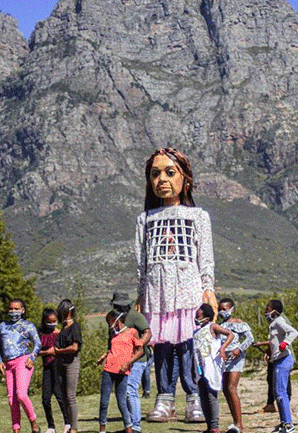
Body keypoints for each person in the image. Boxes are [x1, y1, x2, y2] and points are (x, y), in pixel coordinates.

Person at [135, 148, 215, 423]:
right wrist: (141, 295)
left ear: (186, 179)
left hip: (188, 291)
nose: (162, 180)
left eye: (170, 173)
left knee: (188, 347)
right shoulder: (144, 220)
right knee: (161, 348)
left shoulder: (198, 217)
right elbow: (141, 263)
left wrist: (208, 289)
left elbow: (205, 258)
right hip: (157, 294)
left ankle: (194, 397)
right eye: (155, 174)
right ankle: (164, 398)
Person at [0, 298, 42, 433]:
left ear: (22, 310)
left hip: (22, 361)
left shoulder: (28, 325)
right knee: (12, 400)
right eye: (11, 309)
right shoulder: (2, 326)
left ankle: (34, 423)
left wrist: (32, 357)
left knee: (21, 394)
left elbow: (38, 343)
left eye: (16, 309)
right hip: (8, 364)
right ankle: (16, 429)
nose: (13, 311)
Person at [109, 291, 152, 433]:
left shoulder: (135, 316)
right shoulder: (114, 319)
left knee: (130, 391)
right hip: (121, 361)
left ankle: (136, 426)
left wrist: (140, 344)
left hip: (138, 360)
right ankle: (129, 426)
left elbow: (148, 332)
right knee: (122, 393)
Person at [254, 300, 298, 433]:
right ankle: (283, 422)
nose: (265, 311)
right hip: (277, 360)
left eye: (268, 308)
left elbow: (294, 332)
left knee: (281, 392)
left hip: (284, 359)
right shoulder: (273, 324)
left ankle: (289, 424)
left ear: (275, 311)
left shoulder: (279, 321)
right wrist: (269, 351)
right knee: (277, 392)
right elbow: (274, 341)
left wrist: (286, 343)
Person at [96, 310, 145, 433]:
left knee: (122, 402)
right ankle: (102, 429)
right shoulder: (114, 334)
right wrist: (104, 356)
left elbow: (140, 351)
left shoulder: (132, 332)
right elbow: (114, 349)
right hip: (108, 370)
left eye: (110, 323)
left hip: (122, 371)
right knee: (104, 401)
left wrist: (128, 363)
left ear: (117, 321)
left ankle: (129, 428)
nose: (109, 326)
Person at [193, 304, 234, 433]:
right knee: (203, 396)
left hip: (211, 365)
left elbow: (230, 335)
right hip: (200, 366)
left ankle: (215, 426)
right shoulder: (196, 331)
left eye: (198, 315)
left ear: (206, 315)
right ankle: (209, 426)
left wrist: (223, 348)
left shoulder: (213, 326)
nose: (196, 317)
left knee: (211, 394)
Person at [217, 298, 254, 433]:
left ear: (231, 309)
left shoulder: (240, 324)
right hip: (223, 358)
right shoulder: (219, 325)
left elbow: (250, 338)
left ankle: (239, 424)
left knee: (231, 387)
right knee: (225, 389)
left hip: (236, 357)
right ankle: (234, 421)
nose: (222, 312)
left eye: (225, 309)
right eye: (220, 309)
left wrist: (239, 349)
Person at [52, 299, 83, 433]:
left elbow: (74, 347)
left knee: (70, 396)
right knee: (64, 396)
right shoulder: (62, 329)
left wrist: (59, 351)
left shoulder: (74, 327)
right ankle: (69, 424)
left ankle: (74, 428)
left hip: (71, 363)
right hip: (61, 363)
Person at [38, 308, 68, 433]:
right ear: (45, 321)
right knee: (45, 398)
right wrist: (47, 352)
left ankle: (67, 422)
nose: (52, 324)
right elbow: (37, 351)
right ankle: (51, 426)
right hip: (46, 367)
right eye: (49, 321)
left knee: (59, 395)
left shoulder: (60, 333)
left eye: (54, 321)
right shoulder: (41, 334)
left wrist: (53, 352)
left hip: (57, 365)